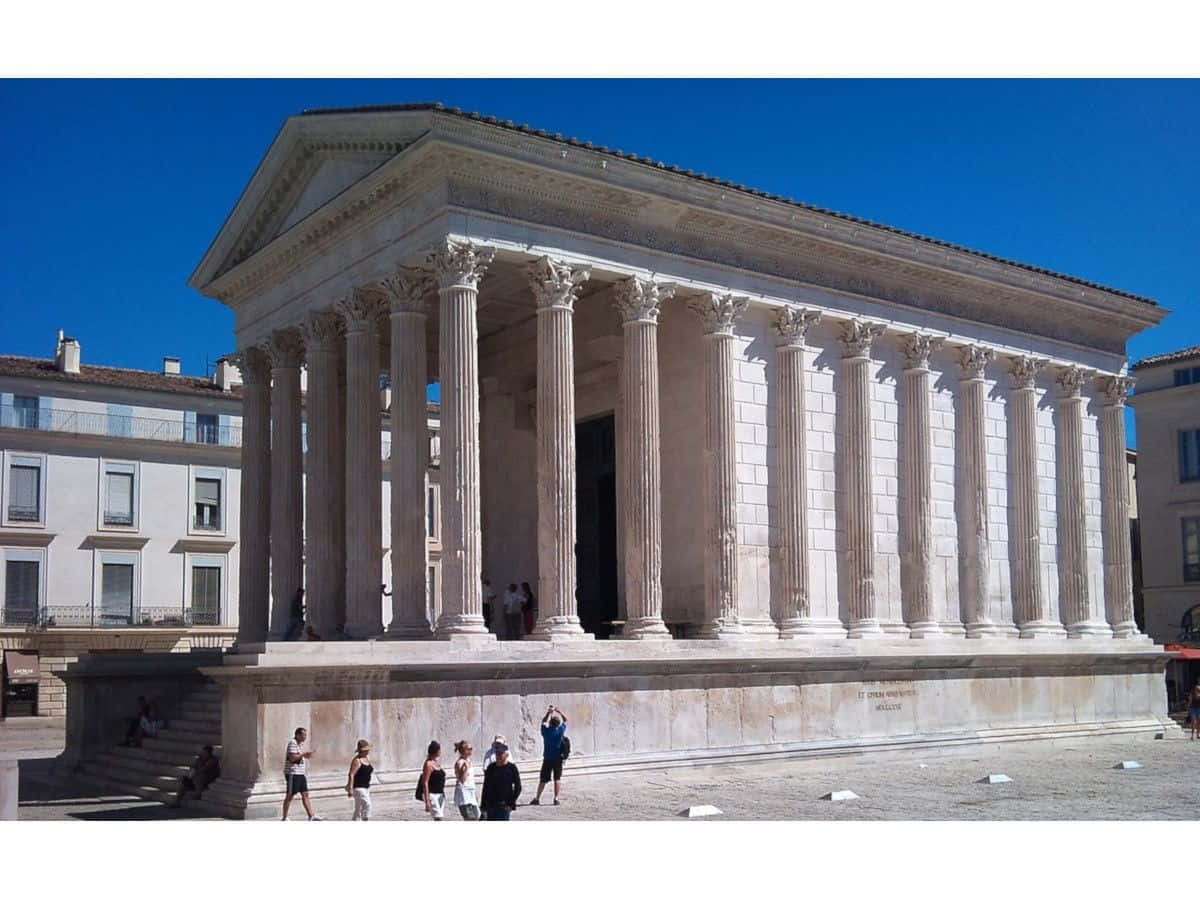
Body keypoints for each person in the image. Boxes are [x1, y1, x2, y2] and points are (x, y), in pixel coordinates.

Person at [282, 726, 322, 821]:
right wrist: (303, 754)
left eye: (305, 735)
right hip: (293, 773)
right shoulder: (292, 743)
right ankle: (284, 817)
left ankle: (311, 815)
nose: (305, 737)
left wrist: (306, 756)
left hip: (300, 774)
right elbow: (292, 758)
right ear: (297, 735)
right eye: (303, 735)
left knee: (305, 794)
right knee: (290, 795)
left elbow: (298, 757)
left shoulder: (299, 745)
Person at [532, 705, 568, 806]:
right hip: (557, 758)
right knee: (557, 778)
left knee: (543, 779)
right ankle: (556, 798)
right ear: (557, 724)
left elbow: (543, 722)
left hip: (547, 758)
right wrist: (559, 712)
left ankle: (537, 798)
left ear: (550, 724)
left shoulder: (546, 732)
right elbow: (566, 720)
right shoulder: (560, 731)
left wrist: (549, 712)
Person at [479, 742, 521, 820]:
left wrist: (511, 804)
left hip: (504, 805)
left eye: (500, 754)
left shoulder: (512, 768)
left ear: (506, 755)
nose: (498, 756)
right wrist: (483, 805)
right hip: (491, 805)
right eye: (497, 753)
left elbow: (518, 787)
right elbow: (485, 787)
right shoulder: (491, 768)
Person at [346, 739, 374, 821]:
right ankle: (365, 819)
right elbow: (351, 774)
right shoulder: (357, 761)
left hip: (366, 787)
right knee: (367, 805)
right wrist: (350, 789)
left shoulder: (367, 758)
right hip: (358, 787)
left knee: (358, 808)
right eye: (366, 749)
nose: (368, 751)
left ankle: (355, 820)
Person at [453, 739, 479, 820]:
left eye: (471, 748)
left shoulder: (468, 761)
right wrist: (465, 769)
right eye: (469, 749)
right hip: (464, 793)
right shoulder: (460, 762)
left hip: (470, 791)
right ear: (463, 750)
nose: (471, 751)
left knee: (477, 816)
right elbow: (462, 780)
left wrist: (475, 793)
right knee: (469, 817)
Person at [420, 740, 446, 820]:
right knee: (438, 817)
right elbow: (425, 782)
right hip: (432, 795)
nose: (440, 752)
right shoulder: (428, 764)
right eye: (439, 750)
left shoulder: (437, 762)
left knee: (439, 817)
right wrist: (427, 801)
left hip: (440, 794)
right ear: (436, 751)